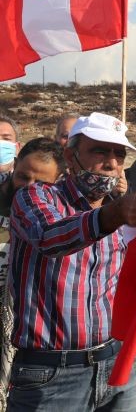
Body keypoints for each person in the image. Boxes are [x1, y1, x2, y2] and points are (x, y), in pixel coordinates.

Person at [7, 112, 136, 411]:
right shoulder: (36, 197)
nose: (111, 163)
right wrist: (113, 215)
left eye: (119, 154)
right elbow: (50, 237)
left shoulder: (120, 215)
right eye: (99, 151)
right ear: (70, 155)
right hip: (52, 377)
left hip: (118, 368)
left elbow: (117, 294)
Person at [0, 138, 65, 409]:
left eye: (40, 184)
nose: (28, 188)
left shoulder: (59, 215)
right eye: (22, 176)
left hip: (24, 331)